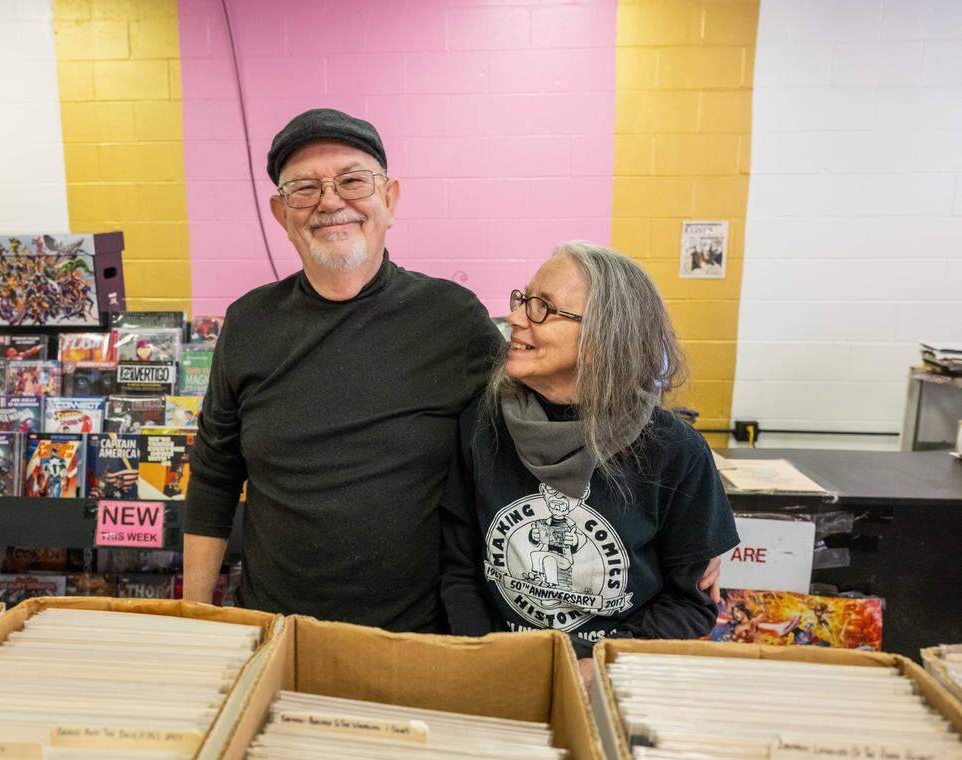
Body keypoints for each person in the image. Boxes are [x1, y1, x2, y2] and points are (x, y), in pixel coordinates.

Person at [181, 109, 502, 631]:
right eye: (303, 189)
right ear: (282, 215)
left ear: (390, 199)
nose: (330, 201)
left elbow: (518, 450)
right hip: (274, 632)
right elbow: (216, 474)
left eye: (352, 180)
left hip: (418, 638)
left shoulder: (454, 320)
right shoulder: (248, 323)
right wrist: (194, 613)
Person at [440, 241, 739, 678]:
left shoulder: (674, 452)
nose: (516, 318)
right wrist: (487, 659)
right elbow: (460, 571)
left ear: (603, 340)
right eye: (523, 300)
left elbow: (690, 604)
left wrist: (599, 663)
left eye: (542, 307)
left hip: (613, 679)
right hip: (498, 672)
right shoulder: (481, 426)